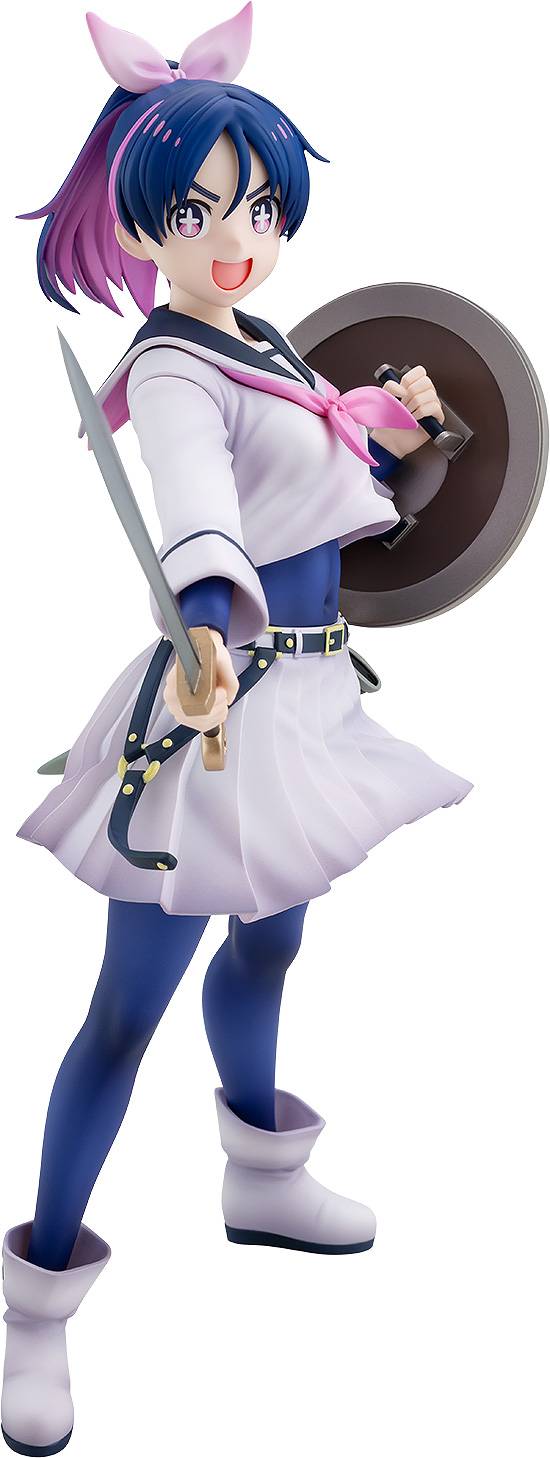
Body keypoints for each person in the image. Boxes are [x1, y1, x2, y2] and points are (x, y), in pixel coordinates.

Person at [1, 8, 472, 1454]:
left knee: (272, 942)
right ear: (141, 220)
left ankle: (260, 1173)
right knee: (126, 1008)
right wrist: (206, 616)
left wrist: (395, 420)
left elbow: (314, 447)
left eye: (258, 209)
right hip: (223, 703)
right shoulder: (173, 368)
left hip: (313, 699)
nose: (235, 239)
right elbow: (200, 498)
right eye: (201, 211)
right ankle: (34, 1306)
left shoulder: (256, 338)